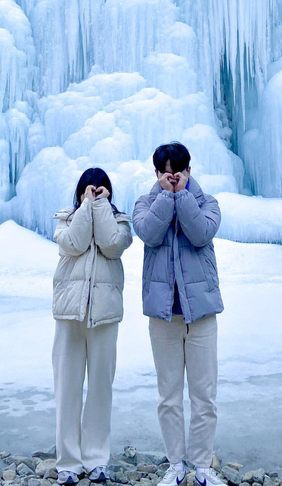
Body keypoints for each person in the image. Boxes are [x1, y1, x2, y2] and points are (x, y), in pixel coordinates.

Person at [133, 142, 224, 486]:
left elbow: (201, 233)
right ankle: (176, 465)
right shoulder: (145, 204)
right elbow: (149, 232)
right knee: (168, 396)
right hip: (163, 317)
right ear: (156, 174)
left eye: (179, 171)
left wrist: (183, 197)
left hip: (200, 314)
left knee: (204, 395)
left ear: (189, 170)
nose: (172, 178)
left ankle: (202, 466)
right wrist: (167, 198)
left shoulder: (207, 202)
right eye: (166, 173)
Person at [52, 167, 132, 486]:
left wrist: (100, 209)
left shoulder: (121, 222)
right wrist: (86, 208)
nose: (93, 192)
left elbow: (112, 244)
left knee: (101, 388)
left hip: (105, 315)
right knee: (67, 389)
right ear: (79, 192)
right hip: (69, 314)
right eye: (88, 189)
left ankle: (97, 458)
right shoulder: (66, 220)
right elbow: (74, 243)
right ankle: (68, 461)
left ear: (108, 193)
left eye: (99, 190)